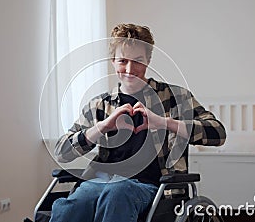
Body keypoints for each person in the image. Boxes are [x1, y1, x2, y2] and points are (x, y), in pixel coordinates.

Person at [50, 23, 226, 222]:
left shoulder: (176, 97)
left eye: (138, 61)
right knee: (72, 205)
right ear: (113, 61)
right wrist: (102, 127)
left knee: (117, 193)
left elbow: (218, 134)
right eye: (123, 61)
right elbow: (61, 152)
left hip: (154, 187)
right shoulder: (100, 105)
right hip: (100, 181)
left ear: (149, 60)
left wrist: (164, 122)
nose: (129, 69)